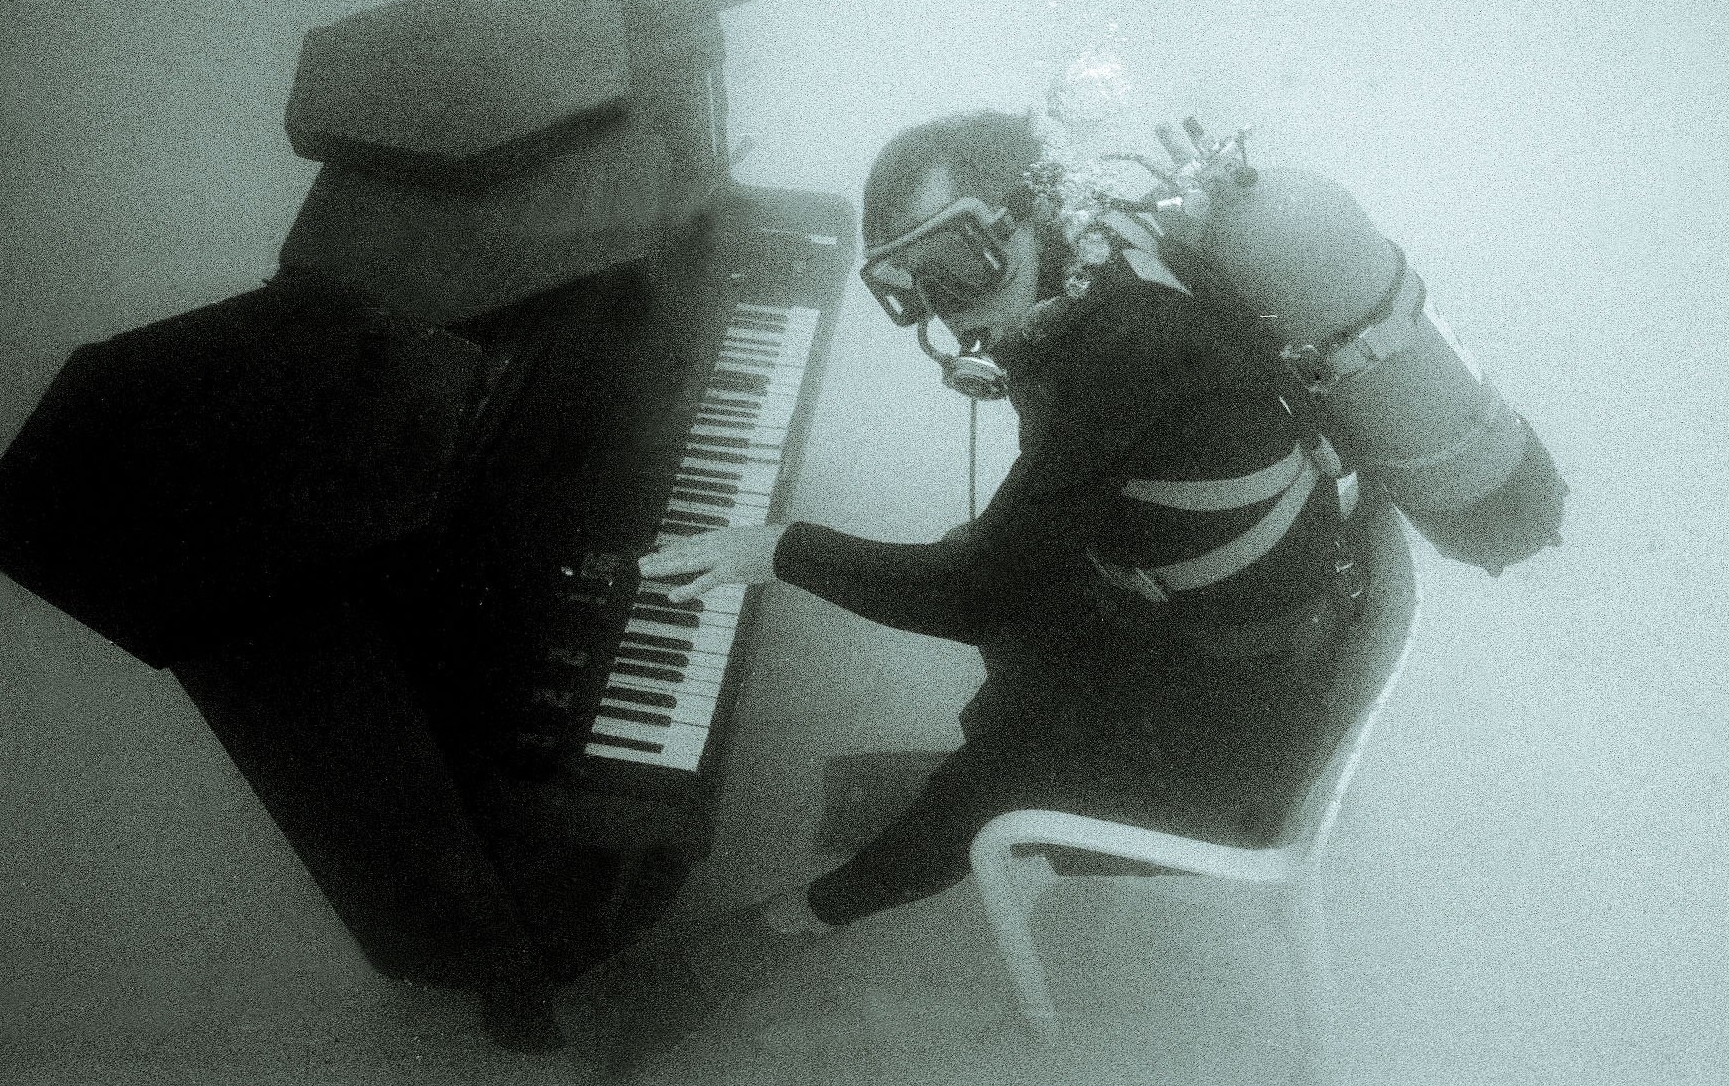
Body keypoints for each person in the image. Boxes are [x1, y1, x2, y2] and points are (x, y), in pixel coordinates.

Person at [555, 108, 1409, 1071]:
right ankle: (981, 766)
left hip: (1242, 731)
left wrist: (780, 546)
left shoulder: (1121, 349)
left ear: (1031, 211)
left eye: (961, 266)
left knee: (998, 755)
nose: (953, 311)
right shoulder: (1115, 248)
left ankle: (801, 916)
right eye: (913, 287)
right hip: (1288, 617)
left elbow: (966, 594)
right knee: (1006, 599)